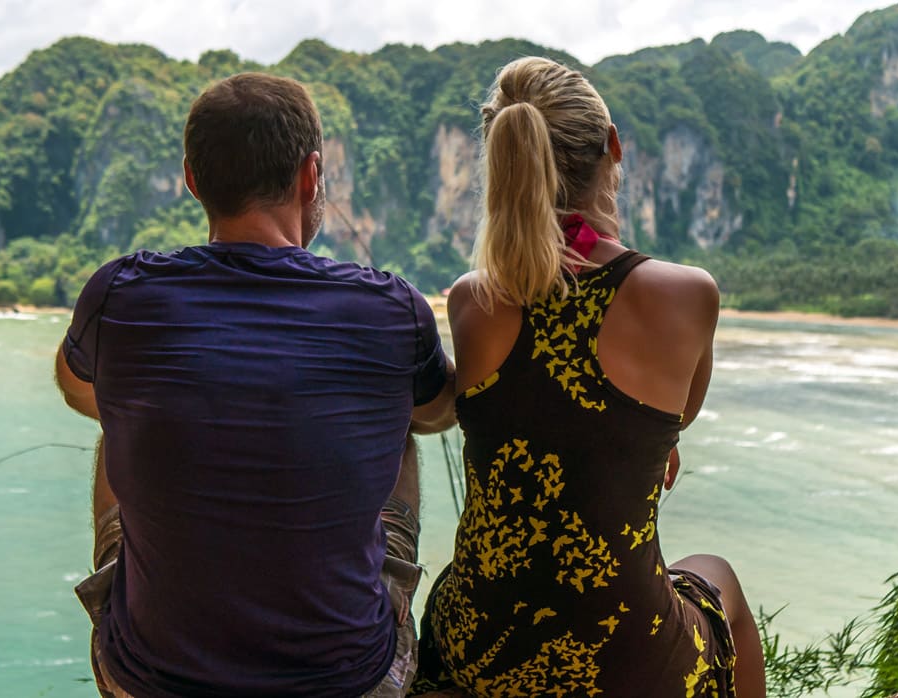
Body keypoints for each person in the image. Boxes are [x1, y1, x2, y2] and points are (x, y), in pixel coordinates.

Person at [55, 72, 456, 697]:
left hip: (150, 680)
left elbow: (78, 389)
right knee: (396, 423)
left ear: (192, 180)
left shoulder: (119, 293)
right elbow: (437, 412)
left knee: (118, 416)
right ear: (311, 176)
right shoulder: (391, 309)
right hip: (347, 682)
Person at [411, 57, 766, 697]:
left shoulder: (474, 301)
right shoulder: (687, 295)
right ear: (614, 147)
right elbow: (672, 417)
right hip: (625, 666)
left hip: (476, 648)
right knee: (718, 578)